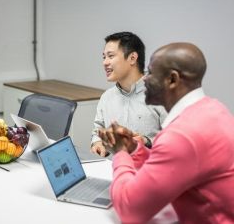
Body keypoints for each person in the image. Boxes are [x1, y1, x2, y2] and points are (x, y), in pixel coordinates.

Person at [100, 42, 234, 223]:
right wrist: (133, 149)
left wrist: (121, 153)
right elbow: (173, 166)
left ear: (172, 79)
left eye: (151, 73)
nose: (144, 79)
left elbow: (129, 210)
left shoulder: (183, 135)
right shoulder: (213, 108)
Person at [91, 32, 166, 156]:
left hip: (148, 170)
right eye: (104, 57)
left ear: (132, 58)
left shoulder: (162, 95)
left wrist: (146, 141)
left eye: (110, 56)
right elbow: (97, 130)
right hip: (112, 169)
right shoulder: (107, 97)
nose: (105, 62)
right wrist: (97, 142)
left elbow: (176, 142)